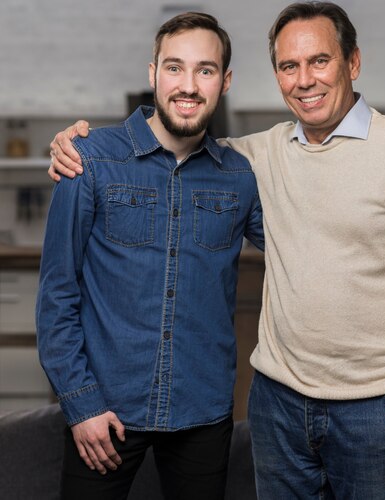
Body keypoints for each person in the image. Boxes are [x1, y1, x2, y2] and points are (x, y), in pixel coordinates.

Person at [49, 2, 385, 499]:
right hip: (277, 408)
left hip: (373, 410)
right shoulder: (252, 156)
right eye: (288, 66)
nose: (304, 80)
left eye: (320, 61)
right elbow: (178, 148)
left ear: (353, 63)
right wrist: (71, 146)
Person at [37, 12, 263, 500]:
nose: (188, 85)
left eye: (205, 70)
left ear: (224, 82)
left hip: (202, 412)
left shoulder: (240, 177)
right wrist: (81, 404)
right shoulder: (90, 159)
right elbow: (57, 294)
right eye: (174, 67)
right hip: (104, 412)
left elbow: (304, 249)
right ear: (152, 73)